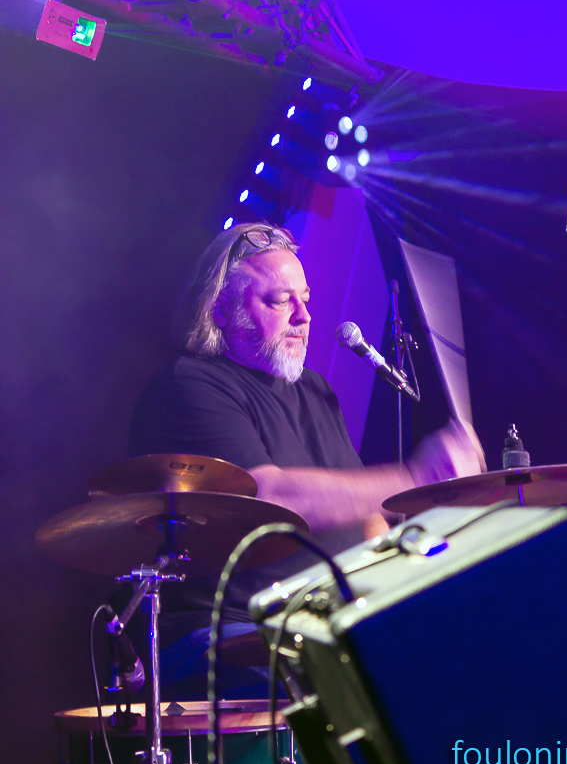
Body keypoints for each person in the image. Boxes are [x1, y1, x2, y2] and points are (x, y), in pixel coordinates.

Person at [128, 222, 484, 697]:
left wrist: (407, 578)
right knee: (351, 689)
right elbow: (270, 498)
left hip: (314, 620)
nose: (304, 316)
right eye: (280, 301)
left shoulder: (315, 390)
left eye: (306, 298)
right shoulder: (190, 385)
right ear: (220, 310)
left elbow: (366, 517)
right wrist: (421, 475)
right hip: (226, 631)